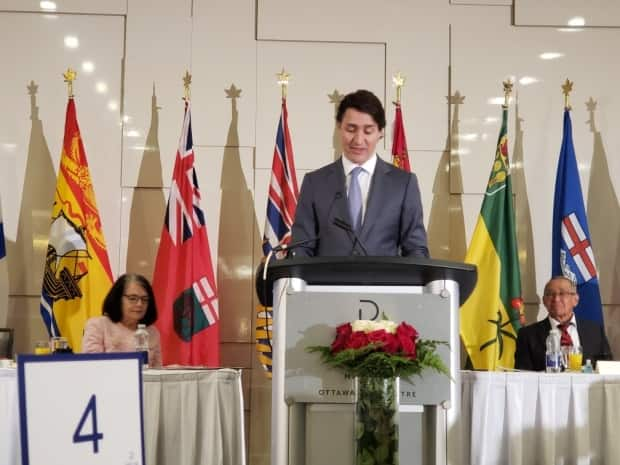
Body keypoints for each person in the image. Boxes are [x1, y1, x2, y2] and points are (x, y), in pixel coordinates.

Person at [290, 89, 429, 257]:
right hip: (326, 283)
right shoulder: (315, 183)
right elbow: (301, 248)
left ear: (380, 132)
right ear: (339, 127)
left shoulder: (403, 184)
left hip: (384, 283)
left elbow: (416, 249)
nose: (358, 140)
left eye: (368, 131)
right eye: (351, 129)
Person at [514, 276, 611, 371]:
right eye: (550, 294)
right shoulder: (527, 335)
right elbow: (523, 377)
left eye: (562, 293)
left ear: (575, 300)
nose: (556, 299)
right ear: (544, 301)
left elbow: (607, 369)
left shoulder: (595, 331)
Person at [82, 273, 162, 367]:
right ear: (118, 299)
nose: (140, 304)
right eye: (133, 298)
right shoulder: (98, 326)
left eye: (144, 299)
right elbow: (92, 366)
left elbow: (157, 370)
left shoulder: (152, 332)